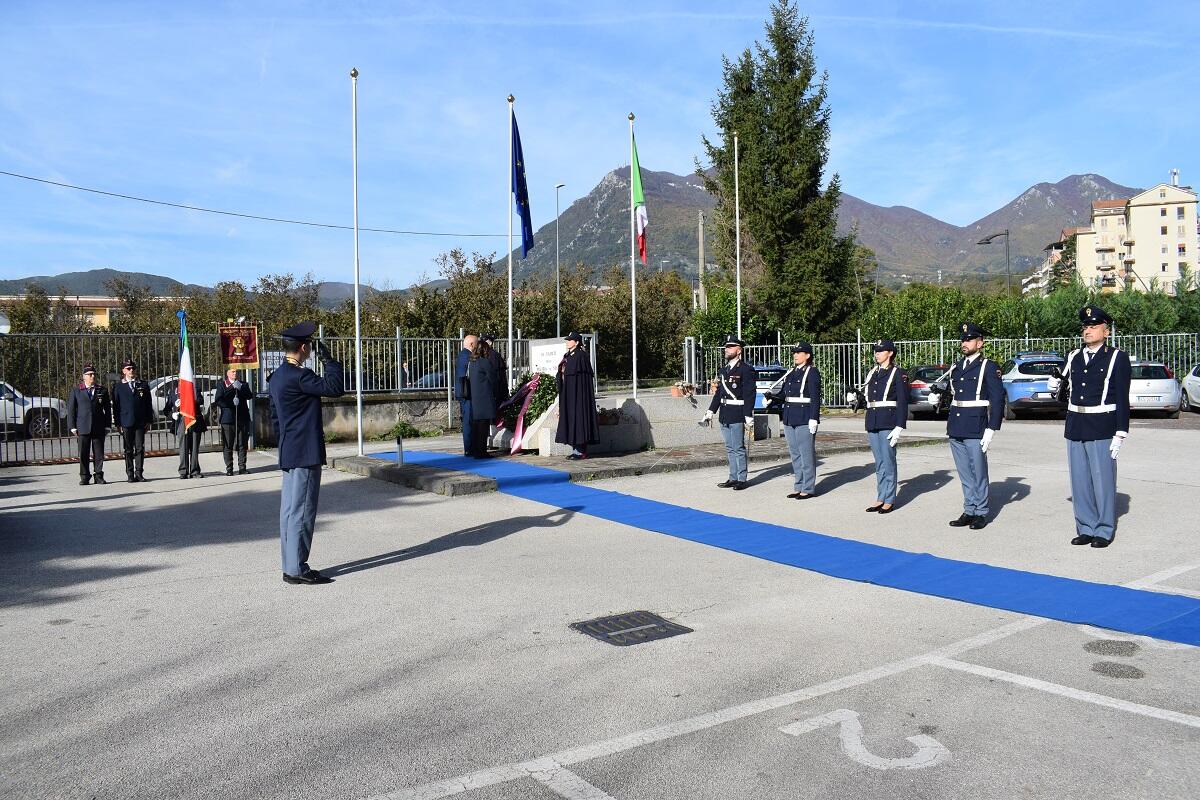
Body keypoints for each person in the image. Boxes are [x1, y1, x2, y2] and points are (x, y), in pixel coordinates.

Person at [268, 321, 345, 585]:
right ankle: (297, 568)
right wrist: (330, 361)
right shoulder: (300, 376)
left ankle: (289, 564)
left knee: (289, 511)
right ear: (304, 348)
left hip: (290, 450)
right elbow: (335, 388)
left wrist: (284, 445)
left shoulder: (277, 376)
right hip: (305, 452)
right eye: (310, 345)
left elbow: (275, 419)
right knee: (302, 511)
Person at [1048, 305, 1131, 549]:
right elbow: (1062, 385)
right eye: (1085, 327)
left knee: (1102, 480)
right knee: (1080, 481)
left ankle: (1104, 529)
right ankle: (1085, 527)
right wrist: (1053, 385)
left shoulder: (1117, 357)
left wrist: (1121, 432)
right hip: (1076, 424)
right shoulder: (1073, 356)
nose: (1088, 330)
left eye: (1093, 326)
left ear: (1106, 331)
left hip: (1103, 425)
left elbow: (1122, 398)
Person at [930, 323, 1004, 530]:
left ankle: (981, 511)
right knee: (964, 472)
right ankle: (969, 509)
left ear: (980, 343)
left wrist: (992, 428)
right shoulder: (956, 367)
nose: (964, 343)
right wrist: (938, 399)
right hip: (956, 424)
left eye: (969, 340)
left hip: (976, 425)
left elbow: (998, 399)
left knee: (978, 471)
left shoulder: (989, 366)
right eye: (963, 340)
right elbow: (954, 395)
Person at [701, 335, 757, 490]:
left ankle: (741, 479)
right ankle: (733, 477)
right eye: (726, 347)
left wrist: (748, 415)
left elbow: (749, 394)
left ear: (739, 350)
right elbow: (719, 394)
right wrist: (710, 411)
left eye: (730, 347)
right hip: (725, 413)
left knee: (738, 447)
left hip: (738, 413)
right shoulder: (724, 370)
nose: (727, 349)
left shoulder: (746, 369)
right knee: (729, 448)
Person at [769, 342, 821, 499]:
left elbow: (815, 397)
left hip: (804, 417)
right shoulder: (791, 372)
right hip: (789, 416)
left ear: (808, 355)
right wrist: (771, 398)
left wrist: (814, 418)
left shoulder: (812, 372)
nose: (795, 355)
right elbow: (784, 395)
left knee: (806, 454)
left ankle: (808, 487)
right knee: (795, 454)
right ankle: (798, 485)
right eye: (794, 353)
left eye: (799, 353)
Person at [863, 340, 908, 513]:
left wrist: (899, 426)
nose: (877, 354)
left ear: (890, 353)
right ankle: (880, 496)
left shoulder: (898, 373)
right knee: (879, 462)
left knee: (888, 460)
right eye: (876, 351)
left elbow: (902, 401)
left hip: (888, 421)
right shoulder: (873, 372)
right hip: (873, 419)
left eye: (881, 351)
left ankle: (889, 499)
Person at [555, 332, 599, 459]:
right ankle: (575, 450)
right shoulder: (567, 356)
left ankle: (580, 451)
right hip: (569, 394)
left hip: (579, 395)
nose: (567, 342)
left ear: (577, 342)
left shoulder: (581, 356)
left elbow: (583, 379)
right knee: (571, 420)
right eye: (567, 340)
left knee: (579, 421)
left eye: (570, 340)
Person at [66, 364, 111, 485]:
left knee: (99, 453)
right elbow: (71, 410)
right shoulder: (76, 391)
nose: (92, 376)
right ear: (84, 376)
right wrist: (72, 426)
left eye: (94, 374)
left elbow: (107, 409)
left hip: (98, 426)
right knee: (83, 453)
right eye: (89, 374)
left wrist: (107, 425)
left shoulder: (102, 390)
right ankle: (85, 476)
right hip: (83, 426)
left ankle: (99, 475)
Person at [111, 358, 154, 482]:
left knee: (140, 448)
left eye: (133, 368)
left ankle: (139, 473)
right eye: (128, 368)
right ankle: (130, 473)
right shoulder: (118, 386)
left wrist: (149, 421)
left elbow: (148, 404)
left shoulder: (143, 385)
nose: (131, 370)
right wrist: (118, 423)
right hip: (126, 421)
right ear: (123, 371)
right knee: (128, 449)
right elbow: (116, 406)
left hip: (140, 422)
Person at [465, 338, 503, 458]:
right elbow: (493, 379)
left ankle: (476, 450)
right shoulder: (485, 362)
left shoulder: (472, 363)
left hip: (476, 398)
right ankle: (482, 451)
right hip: (485, 397)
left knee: (477, 426)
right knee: (484, 427)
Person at [214, 367, 253, 476]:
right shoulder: (222, 384)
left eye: (236, 371)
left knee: (242, 444)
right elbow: (218, 400)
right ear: (227, 373)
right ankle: (229, 468)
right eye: (233, 371)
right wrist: (231, 403)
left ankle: (242, 467)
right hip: (228, 418)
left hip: (242, 417)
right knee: (228, 444)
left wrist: (240, 388)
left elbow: (249, 396)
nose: (235, 373)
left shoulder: (243, 384)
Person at [167, 380, 207, 479]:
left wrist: (188, 399)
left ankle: (195, 471)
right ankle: (183, 471)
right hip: (181, 421)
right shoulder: (174, 392)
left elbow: (200, 401)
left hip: (194, 420)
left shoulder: (194, 389)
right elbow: (166, 409)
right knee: (183, 447)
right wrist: (172, 415)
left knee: (194, 447)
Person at [454, 334, 478, 455]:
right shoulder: (467, 356)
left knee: (469, 421)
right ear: (472, 344)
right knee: (468, 421)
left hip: (464, 393)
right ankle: (469, 448)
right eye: (477, 344)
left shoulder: (462, 355)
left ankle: (470, 447)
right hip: (467, 394)